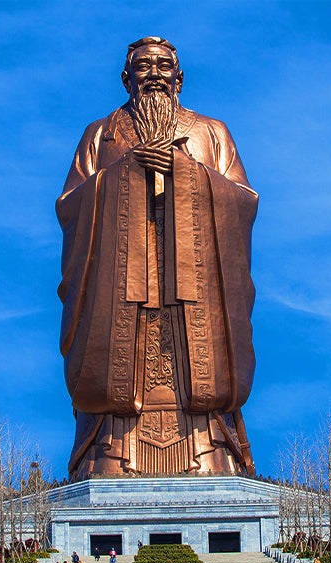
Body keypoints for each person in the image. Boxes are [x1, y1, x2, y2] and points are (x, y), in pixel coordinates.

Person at [57, 37, 258, 480]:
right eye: (143, 67)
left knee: (196, 367)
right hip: (123, 284)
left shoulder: (211, 133)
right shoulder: (100, 135)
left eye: (163, 66)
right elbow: (72, 206)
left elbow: (242, 203)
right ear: (126, 78)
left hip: (195, 287)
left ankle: (209, 448)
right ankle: (110, 454)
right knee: (122, 361)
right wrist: (125, 171)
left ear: (179, 78)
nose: (154, 74)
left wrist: (186, 173)